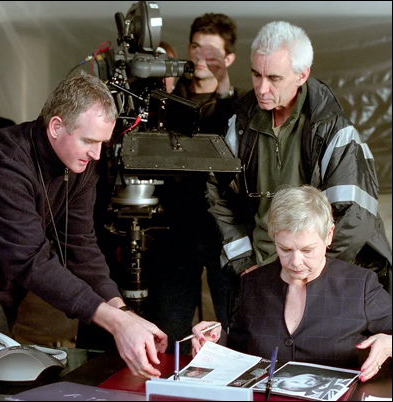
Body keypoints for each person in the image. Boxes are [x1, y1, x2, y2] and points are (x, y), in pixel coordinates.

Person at [0, 71, 167, 379]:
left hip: (5, 292)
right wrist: (116, 322)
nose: (96, 153)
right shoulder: (2, 164)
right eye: (89, 141)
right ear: (56, 126)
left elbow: (80, 245)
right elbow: (32, 261)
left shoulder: (80, 163)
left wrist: (122, 312)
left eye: (102, 143)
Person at [206, 20, 392, 294]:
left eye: (274, 78)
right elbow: (218, 197)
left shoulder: (334, 132)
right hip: (260, 274)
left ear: (302, 75)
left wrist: (308, 276)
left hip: (324, 277)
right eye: (256, 74)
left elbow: (354, 218)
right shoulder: (239, 126)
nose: (261, 88)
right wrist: (245, 263)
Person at [192, 185, 392, 383]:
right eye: (285, 249)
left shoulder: (360, 285)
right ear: (274, 238)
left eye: (307, 250)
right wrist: (215, 340)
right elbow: (240, 350)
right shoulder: (253, 284)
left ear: (329, 235)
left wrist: (389, 343)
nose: (295, 262)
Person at [147, 13, 242, 354]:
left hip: (225, 233)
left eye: (212, 53)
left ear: (229, 59)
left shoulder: (240, 109)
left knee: (235, 329)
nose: (200, 58)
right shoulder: (166, 102)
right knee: (168, 332)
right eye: (195, 48)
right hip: (174, 231)